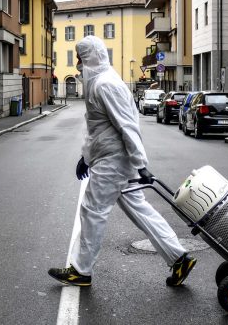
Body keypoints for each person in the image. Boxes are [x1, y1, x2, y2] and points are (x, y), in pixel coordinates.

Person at [48, 36, 196, 287]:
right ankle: (178, 257)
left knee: (92, 211)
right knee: (140, 209)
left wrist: (140, 163)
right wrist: (86, 157)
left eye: (79, 57)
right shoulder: (100, 83)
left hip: (113, 161)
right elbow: (97, 127)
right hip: (111, 158)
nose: (76, 63)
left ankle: (81, 271)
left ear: (90, 57)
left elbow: (127, 125)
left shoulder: (106, 85)